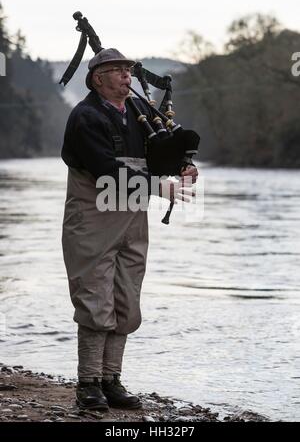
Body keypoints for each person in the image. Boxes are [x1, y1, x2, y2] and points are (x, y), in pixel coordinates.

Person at [61, 48, 198, 411]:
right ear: (97, 79)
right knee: (95, 301)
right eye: (117, 70)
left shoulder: (139, 113)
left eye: (128, 69)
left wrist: (180, 167)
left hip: (133, 220)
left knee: (126, 301)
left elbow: (154, 158)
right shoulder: (85, 117)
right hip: (92, 221)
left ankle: (111, 380)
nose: (126, 75)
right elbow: (105, 170)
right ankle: (88, 383)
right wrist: (157, 187)